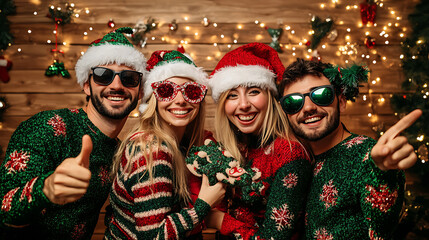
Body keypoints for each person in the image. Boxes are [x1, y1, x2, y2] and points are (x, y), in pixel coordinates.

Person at [0, 27, 147, 239]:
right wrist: (46, 188)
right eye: (103, 75)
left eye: (129, 78)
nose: (116, 85)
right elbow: (4, 208)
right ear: (87, 86)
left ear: (140, 91)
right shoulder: (46, 127)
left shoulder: (119, 151)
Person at [278, 58, 422, 239]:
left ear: (342, 102)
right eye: (293, 102)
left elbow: (381, 227)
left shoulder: (367, 155)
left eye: (321, 95)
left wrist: (382, 173)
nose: (308, 107)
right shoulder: (295, 160)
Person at [104, 50, 226, 239]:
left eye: (191, 91)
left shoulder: (187, 145)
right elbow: (154, 236)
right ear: (153, 99)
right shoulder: (152, 150)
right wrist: (204, 204)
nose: (180, 100)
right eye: (167, 91)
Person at [205, 42, 312, 239]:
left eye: (254, 91)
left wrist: (218, 220)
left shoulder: (289, 153)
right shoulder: (235, 148)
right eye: (232, 95)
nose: (244, 104)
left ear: (270, 97)